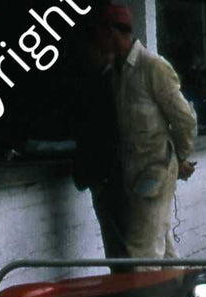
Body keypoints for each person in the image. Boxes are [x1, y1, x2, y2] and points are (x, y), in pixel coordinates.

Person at [102, 3, 197, 259]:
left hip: (156, 169)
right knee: (161, 244)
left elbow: (184, 118)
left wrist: (182, 155)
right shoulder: (116, 73)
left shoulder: (152, 66)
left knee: (142, 250)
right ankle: (178, 292)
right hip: (134, 173)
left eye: (103, 33)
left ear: (113, 32)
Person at [72, 23, 126, 258]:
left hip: (108, 176)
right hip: (110, 175)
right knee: (118, 241)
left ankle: (126, 289)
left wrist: (100, 176)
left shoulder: (105, 85)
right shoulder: (109, 82)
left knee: (117, 242)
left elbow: (107, 132)